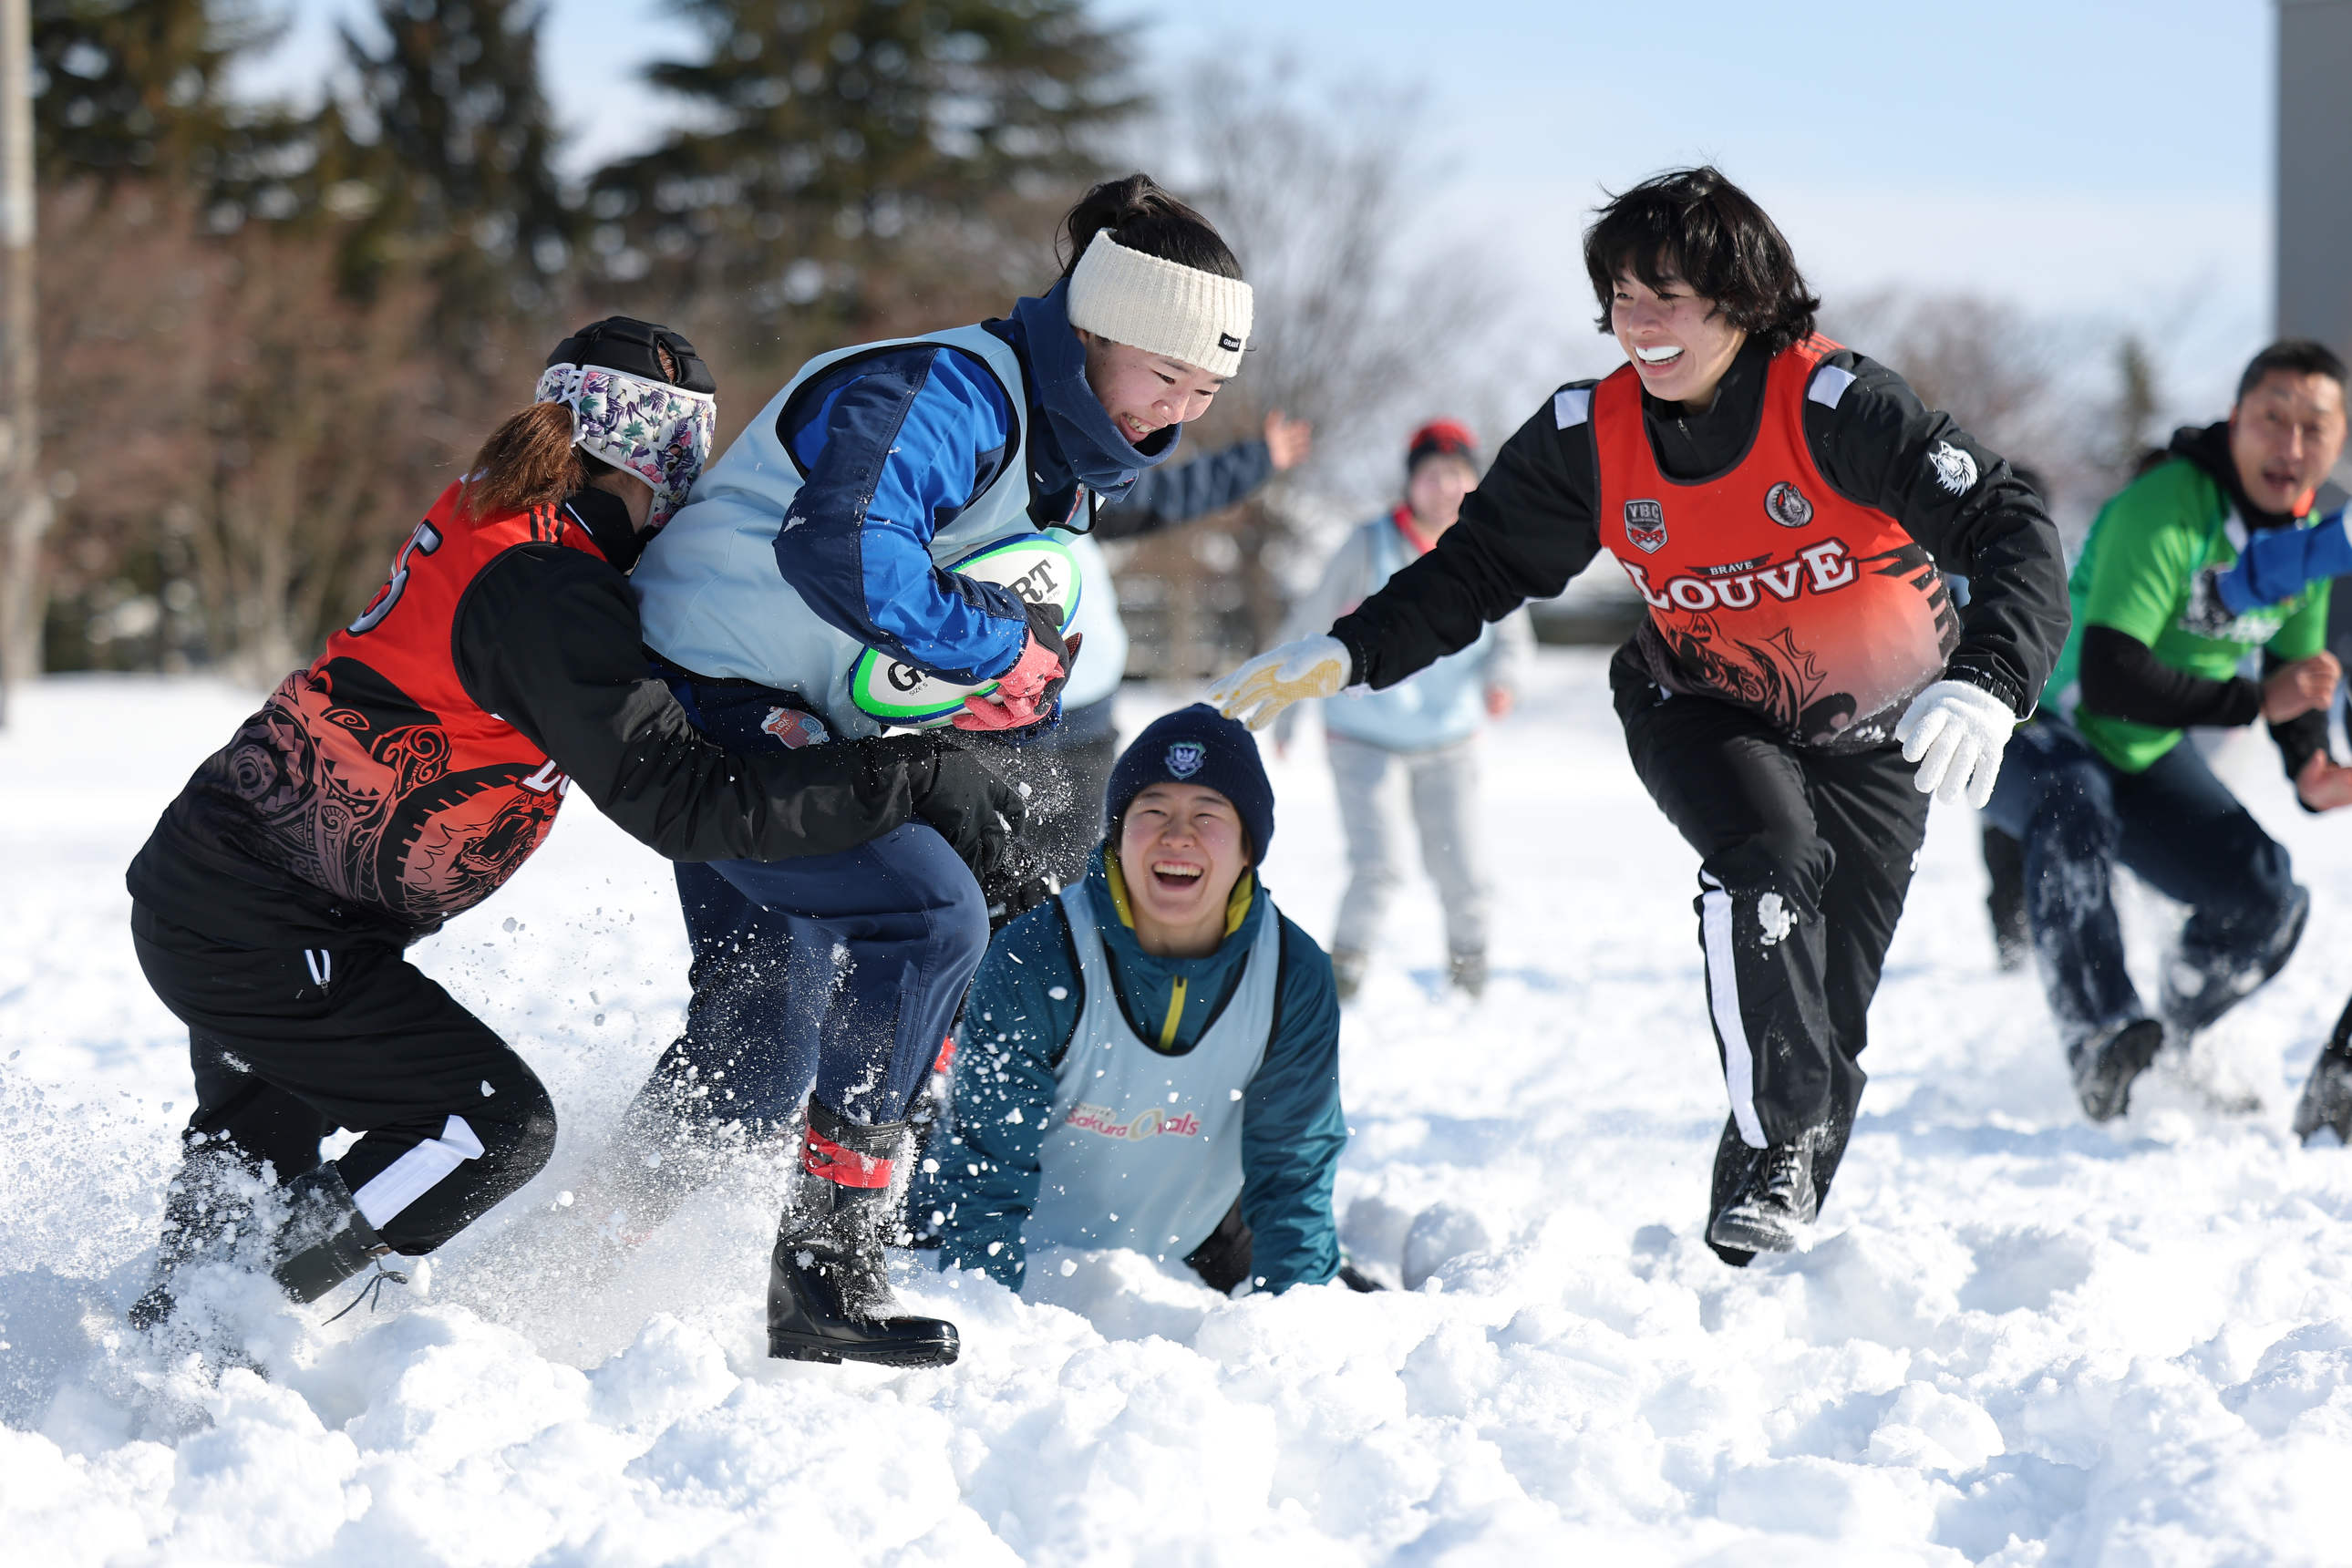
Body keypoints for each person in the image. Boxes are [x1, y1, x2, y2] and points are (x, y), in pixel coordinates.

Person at [1209, 166, 2068, 1263]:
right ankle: (1774, 1152)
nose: (1640, 323)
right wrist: (1349, 648)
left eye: (1669, 295)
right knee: (1768, 862)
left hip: (1878, 734)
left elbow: (2009, 516)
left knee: (1827, 1013)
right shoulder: (1590, 434)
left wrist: (1994, 677)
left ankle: (1749, 1231)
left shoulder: (1834, 405)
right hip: (1700, 701)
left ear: (1745, 301)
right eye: (1622, 295)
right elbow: (1476, 566)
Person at [120, 317, 1021, 1332]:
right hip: (262, 923)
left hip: (243, 897)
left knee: (255, 1175)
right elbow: (679, 801)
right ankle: (243, 1309)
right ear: (669, 458)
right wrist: (897, 775)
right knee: (486, 1126)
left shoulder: (511, 522)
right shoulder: (547, 586)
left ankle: (180, 1338)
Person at [615, 174, 1254, 1366]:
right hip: (702, 703)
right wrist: (995, 648)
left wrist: (999, 704)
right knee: (926, 915)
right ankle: (826, 1269)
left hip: (793, 717)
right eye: (1165, 377)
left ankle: (587, 1255)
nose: (1177, 417)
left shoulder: (1066, 454)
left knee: (762, 1036)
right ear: (1097, 327)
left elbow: (948, 629)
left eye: (1204, 393)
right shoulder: (950, 390)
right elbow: (843, 545)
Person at [1978, 340, 2352, 1124]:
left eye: (2313, 427)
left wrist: (2312, 761)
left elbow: (2299, 666)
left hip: (2142, 751)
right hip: (2039, 723)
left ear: (2340, 439)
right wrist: (2255, 702)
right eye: (2271, 419)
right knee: (2073, 807)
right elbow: (2112, 677)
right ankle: (2103, 1036)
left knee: (2267, 899)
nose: (2290, 446)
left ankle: (2179, 1039)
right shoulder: (2170, 505)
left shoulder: (2312, 537)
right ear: (2234, 422)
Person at [911, 706, 1348, 1295]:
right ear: (1118, 833)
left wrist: (1302, 1319)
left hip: (1193, 1239)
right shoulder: (1039, 956)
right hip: (1010, 1245)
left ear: (1249, 847)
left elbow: (1293, 1171)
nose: (1177, 835)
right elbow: (985, 1168)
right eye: (1154, 811)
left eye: (1207, 813)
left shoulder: (1292, 974)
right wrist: (985, 1321)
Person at [984, 409, 1315, 924]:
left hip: (1083, 717)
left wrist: (1255, 461)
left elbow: (1169, 494)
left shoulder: (1066, 487)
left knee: (1062, 888)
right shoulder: (954, 503)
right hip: (989, 723)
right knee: (987, 886)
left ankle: (1058, 991)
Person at [1270, 418, 1532, 1000]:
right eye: (1434, 475)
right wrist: (1287, 705)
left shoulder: (1486, 549)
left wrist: (1502, 679)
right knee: (1379, 867)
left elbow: (1513, 639)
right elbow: (1311, 619)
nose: (1446, 488)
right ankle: (1344, 981)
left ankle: (1470, 982)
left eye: (1459, 476)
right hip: (1363, 738)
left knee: (1465, 873)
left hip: (1449, 741)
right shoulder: (1369, 545)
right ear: (1412, 483)